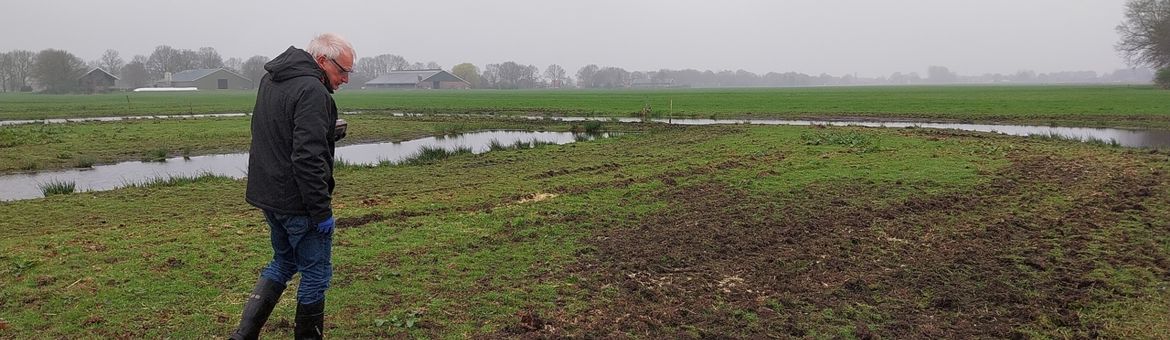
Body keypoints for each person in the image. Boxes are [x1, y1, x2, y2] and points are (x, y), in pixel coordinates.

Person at [230, 33, 354, 340]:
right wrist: (321, 211)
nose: (346, 79)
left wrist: (325, 132)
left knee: (283, 261)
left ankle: (243, 336)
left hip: (270, 196)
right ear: (322, 60)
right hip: (299, 202)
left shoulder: (271, 80)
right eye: (342, 70)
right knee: (316, 274)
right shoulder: (313, 91)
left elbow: (275, 132)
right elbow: (307, 159)